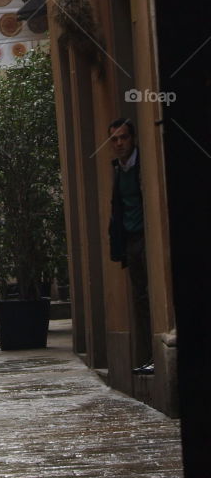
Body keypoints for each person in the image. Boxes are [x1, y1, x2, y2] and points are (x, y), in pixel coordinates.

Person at [108, 117, 153, 375]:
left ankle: (152, 355)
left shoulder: (140, 166)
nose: (119, 143)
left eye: (123, 137)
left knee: (149, 296)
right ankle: (147, 355)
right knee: (140, 298)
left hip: (146, 236)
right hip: (131, 240)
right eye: (114, 139)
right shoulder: (118, 169)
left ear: (133, 139)